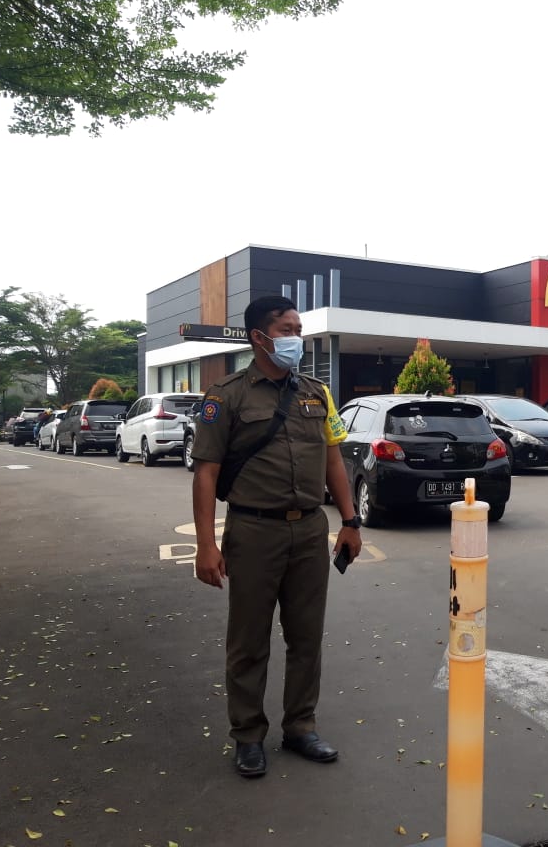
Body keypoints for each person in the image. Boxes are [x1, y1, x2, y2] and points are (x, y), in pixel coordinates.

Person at [191, 295, 362, 779]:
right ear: (259, 337)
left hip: (310, 529)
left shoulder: (316, 393)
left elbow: (333, 460)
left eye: (298, 329)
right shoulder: (225, 395)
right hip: (252, 530)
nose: (297, 338)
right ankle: (247, 736)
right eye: (287, 330)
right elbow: (206, 473)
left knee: (306, 636)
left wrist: (350, 522)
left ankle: (300, 726)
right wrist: (207, 545)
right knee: (248, 641)